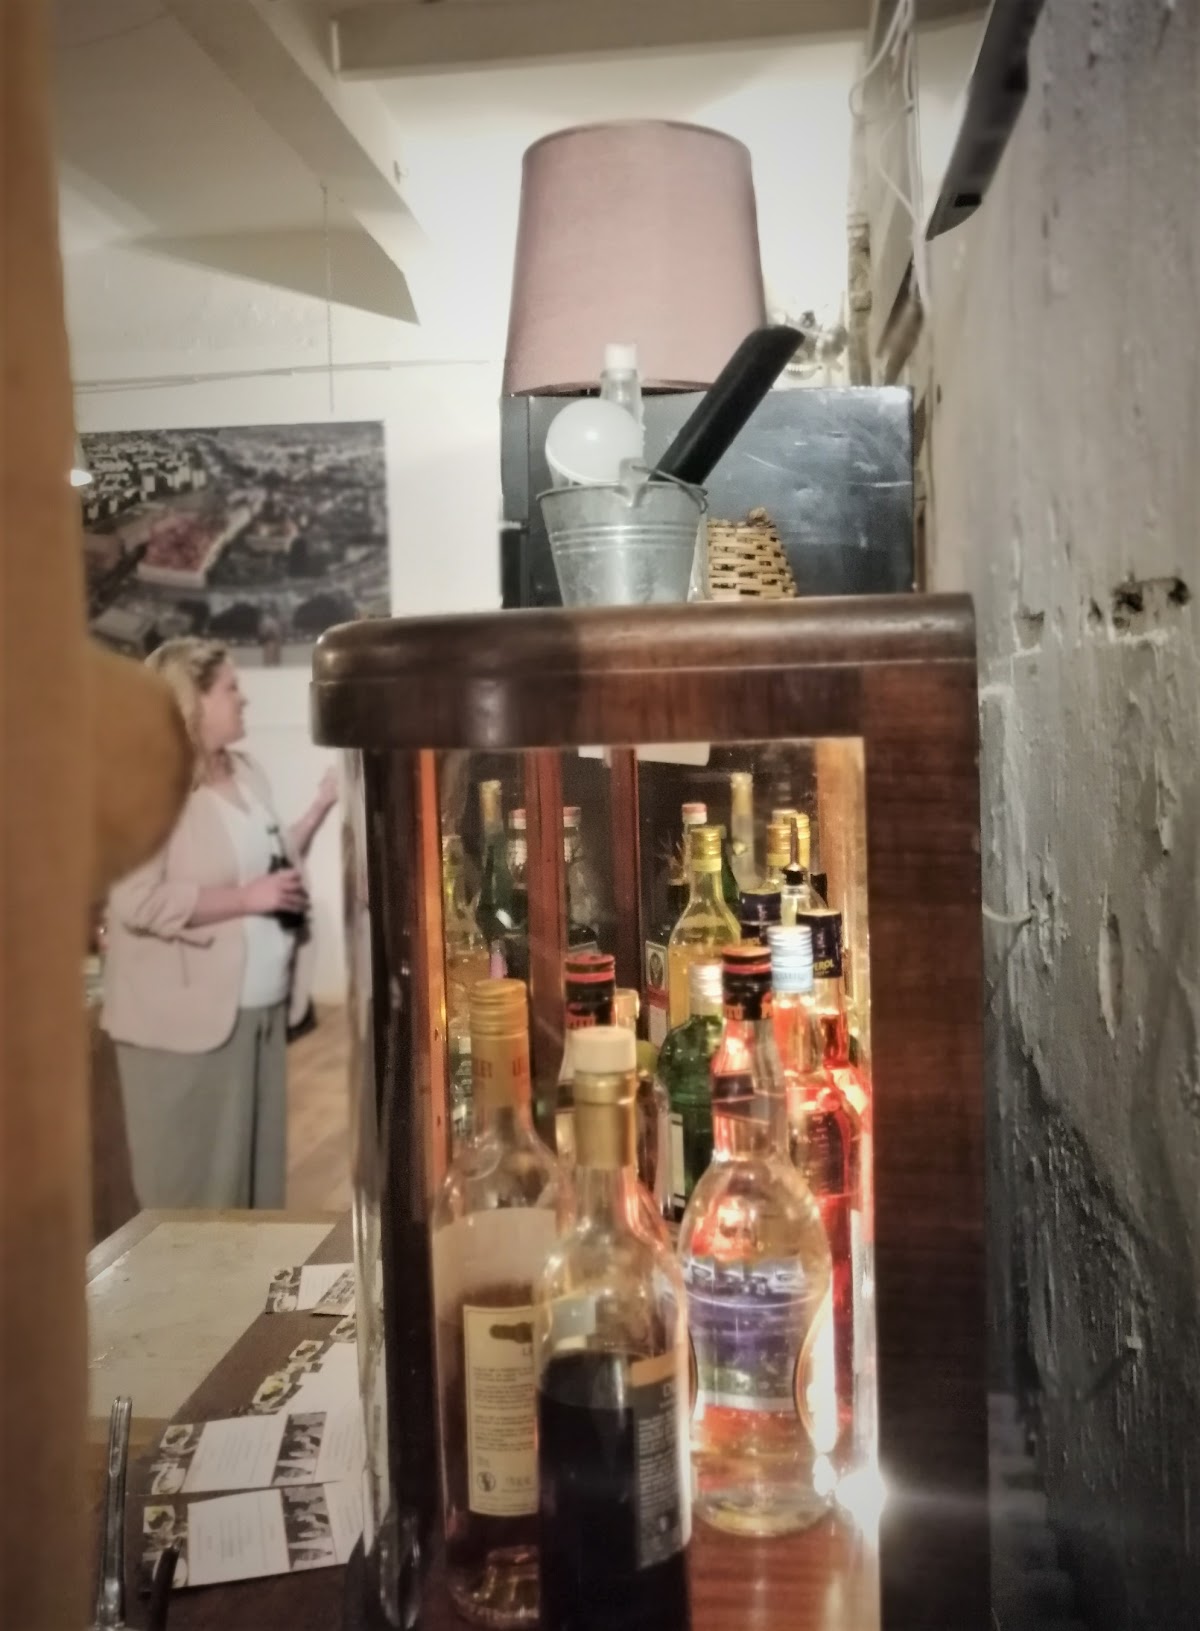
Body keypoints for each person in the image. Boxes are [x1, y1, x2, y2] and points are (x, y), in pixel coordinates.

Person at [102, 638, 337, 1208]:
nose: (244, 699)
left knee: (256, 1191)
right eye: (231, 688)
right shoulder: (149, 785)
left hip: (260, 1013)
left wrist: (319, 809)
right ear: (194, 700)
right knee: (194, 1198)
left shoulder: (247, 773)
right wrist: (245, 899)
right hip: (184, 1027)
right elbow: (135, 901)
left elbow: (270, 865)